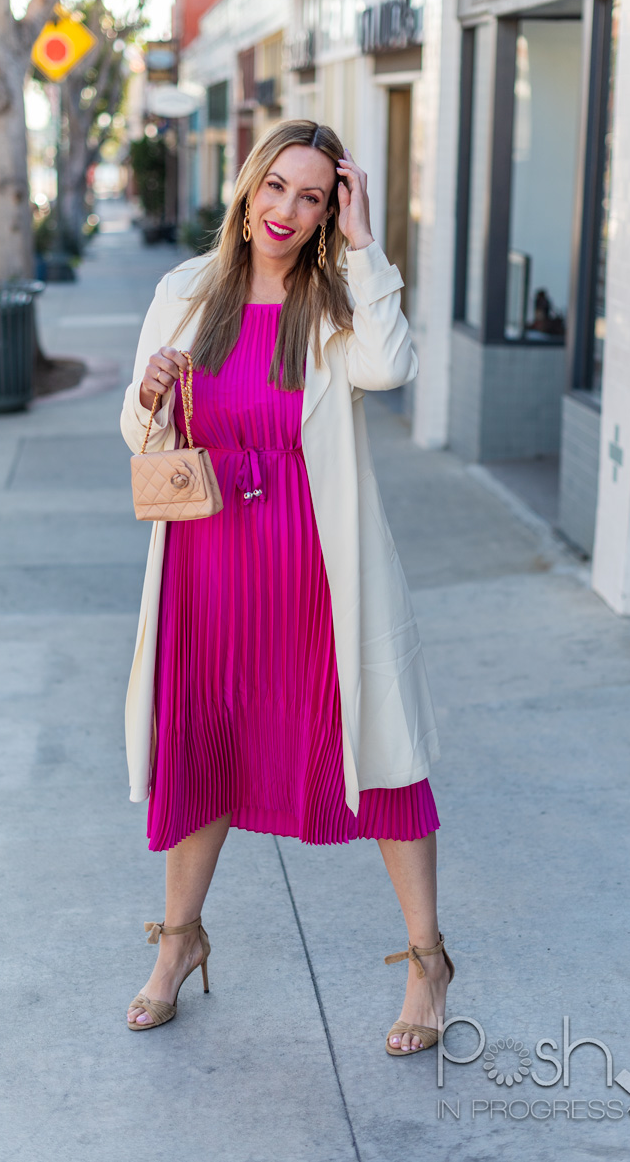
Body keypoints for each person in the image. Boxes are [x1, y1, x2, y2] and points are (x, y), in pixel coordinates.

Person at [119, 119, 453, 1055]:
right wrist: (149, 395)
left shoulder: (340, 294)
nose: (287, 211)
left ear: (331, 207)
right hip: (211, 557)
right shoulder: (186, 289)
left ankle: (428, 963)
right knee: (205, 746)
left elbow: (392, 368)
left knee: (378, 754)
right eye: (278, 187)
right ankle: (179, 942)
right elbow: (134, 428)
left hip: (313, 561)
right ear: (247, 183)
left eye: (313, 196)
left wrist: (365, 245)